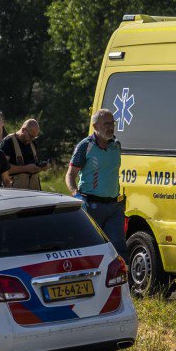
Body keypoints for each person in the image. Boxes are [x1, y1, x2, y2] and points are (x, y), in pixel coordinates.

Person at [67, 108, 127, 257]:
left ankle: (120, 272)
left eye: (112, 123)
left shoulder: (116, 145)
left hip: (114, 206)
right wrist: (76, 195)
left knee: (118, 248)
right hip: (92, 205)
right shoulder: (85, 146)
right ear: (95, 126)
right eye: (107, 124)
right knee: (92, 248)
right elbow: (70, 175)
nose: (111, 127)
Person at [1, 117, 43, 191]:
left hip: (34, 191)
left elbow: (34, 164)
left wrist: (40, 167)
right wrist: (26, 168)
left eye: (34, 137)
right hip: (15, 192)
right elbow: (2, 168)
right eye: (31, 136)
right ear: (23, 130)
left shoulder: (33, 143)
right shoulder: (8, 141)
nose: (32, 139)